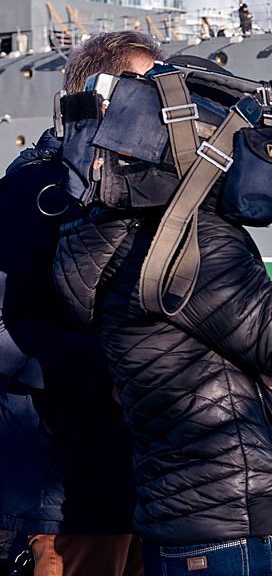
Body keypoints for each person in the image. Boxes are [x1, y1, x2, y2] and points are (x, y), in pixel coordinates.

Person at [52, 74, 272, 574]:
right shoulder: (189, 242)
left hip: (189, 516)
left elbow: (189, 350)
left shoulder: (114, 231)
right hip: (233, 524)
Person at [0, 31, 163, 576]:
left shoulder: (138, 193)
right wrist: (112, 374)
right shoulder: (32, 193)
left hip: (138, 488)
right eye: (150, 92)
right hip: (63, 497)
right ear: (101, 96)